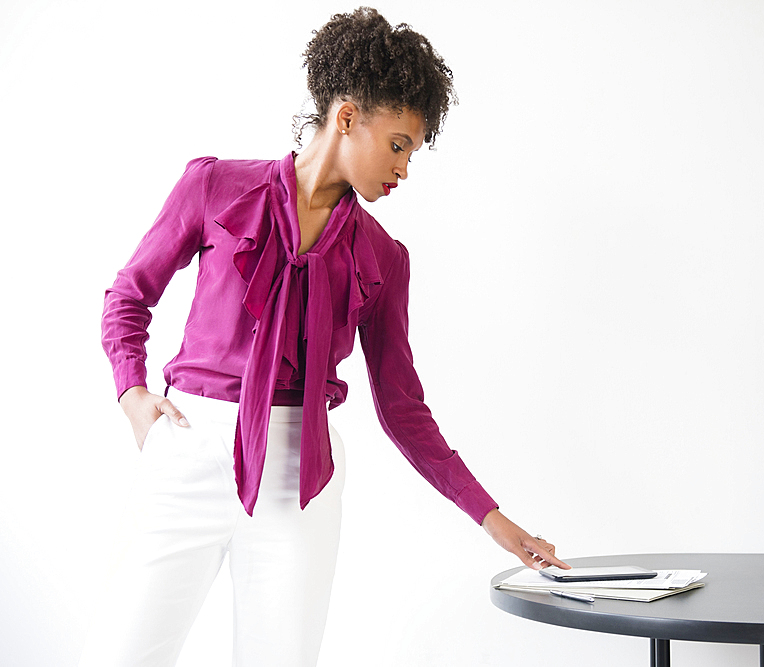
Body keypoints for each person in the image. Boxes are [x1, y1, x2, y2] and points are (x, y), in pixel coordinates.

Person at [80, 7, 568, 666]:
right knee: (123, 652)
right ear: (346, 117)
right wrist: (132, 393)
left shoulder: (383, 258)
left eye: (412, 152)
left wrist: (492, 517)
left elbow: (402, 408)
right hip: (189, 448)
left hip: (299, 476)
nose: (404, 169)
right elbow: (128, 295)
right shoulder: (214, 187)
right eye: (398, 143)